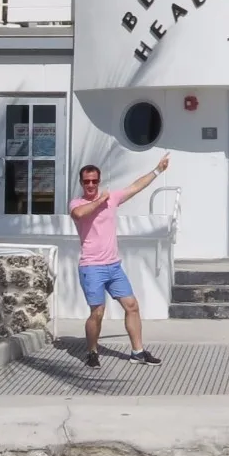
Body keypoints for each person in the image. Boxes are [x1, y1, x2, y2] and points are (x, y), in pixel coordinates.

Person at [70, 156, 170, 368]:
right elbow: (79, 215)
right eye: (86, 181)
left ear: (99, 181)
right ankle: (92, 352)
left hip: (113, 266)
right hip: (91, 266)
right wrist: (100, 200)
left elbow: (135, 187)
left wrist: (157, 170)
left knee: (132, 306)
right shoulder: (77, 203)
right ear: (81, 183)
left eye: (94, 181)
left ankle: (138, 352)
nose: (90, 185)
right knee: (97, 312)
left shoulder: (111, 198)